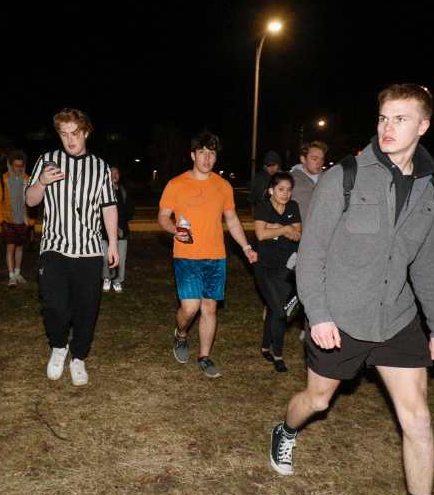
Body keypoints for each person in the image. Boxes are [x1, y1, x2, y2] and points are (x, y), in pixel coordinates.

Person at [268, 83, 434, 495]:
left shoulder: (429, 188)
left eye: (400, 118)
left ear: (423, 125)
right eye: (383, 117)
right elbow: (311, 255)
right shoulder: (346, 175)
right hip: (340, 318)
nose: (388, 127)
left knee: (418, 419)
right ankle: (285, 431)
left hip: (396, 318)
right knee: (317, 402)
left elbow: (430, 264)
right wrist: (318, 315)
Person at [26, 108, 118, 386]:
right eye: (64, 134)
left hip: (89, 250)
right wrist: (42, 182)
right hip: (54, 247)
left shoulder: (100, 167)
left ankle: (78, 356)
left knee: (86, 308)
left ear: (86, 132)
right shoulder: (47, 161)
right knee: (53, 304)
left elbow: (109, 207)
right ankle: (58, 346)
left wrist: (113, 244)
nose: (70, 140)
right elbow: (30, 201)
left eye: (75, 133)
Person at [158, 131, 259, 378]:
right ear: (193, 155)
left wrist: (246, 247)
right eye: (202, 152)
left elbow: (232, 219)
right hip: (186, 255)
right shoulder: (176, 184)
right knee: (190, 308)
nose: (207, 158)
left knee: (210, 308)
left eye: (211, 153)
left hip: (215, 257)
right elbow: (163, 217)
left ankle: (204, 357)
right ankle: (181, 334)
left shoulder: (223, 186)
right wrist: (175, 230)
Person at [253, 170, 301, 372]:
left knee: (275, 309)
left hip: (286, 269)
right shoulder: (263, 207)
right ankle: (278, 356)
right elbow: (261, 235)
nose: (285, 193)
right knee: (281, 313)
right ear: (271, 190)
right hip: (265, 268)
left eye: (289, 190)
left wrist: (276, 227)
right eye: (281, 189)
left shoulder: (293, 206)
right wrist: (285, 229)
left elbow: (297, 235)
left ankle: (265, 347)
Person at [0, 150, 34, 287]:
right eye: (16, 165)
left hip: (23, 221)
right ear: (10, 165)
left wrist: (30, 221)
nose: (19, 168)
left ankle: (17, 273)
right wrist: (1, 221)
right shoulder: (2, 180)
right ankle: (11, 276)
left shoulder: (28, 180)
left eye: (21, 166)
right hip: (8, 220)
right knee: (10, 248)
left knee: (20, 248)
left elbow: (32, 202)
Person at [102, 165, 133, 293]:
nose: (114, 175)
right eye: (112, 173)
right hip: (103, 233)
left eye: (117, 173)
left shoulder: (124, 191)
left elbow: (130, 210)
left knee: (121, 258)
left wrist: (121, 223)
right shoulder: (101, 191)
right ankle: (107, 278)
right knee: (105, 257)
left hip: (122, 232)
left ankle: (117, 280)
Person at [290, 140, 327, 222]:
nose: (319, 163)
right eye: (314, 159)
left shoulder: (328, 179)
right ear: (303, 159)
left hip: (323, 228)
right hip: (299, 229)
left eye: (322, 159)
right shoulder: (290, 180)